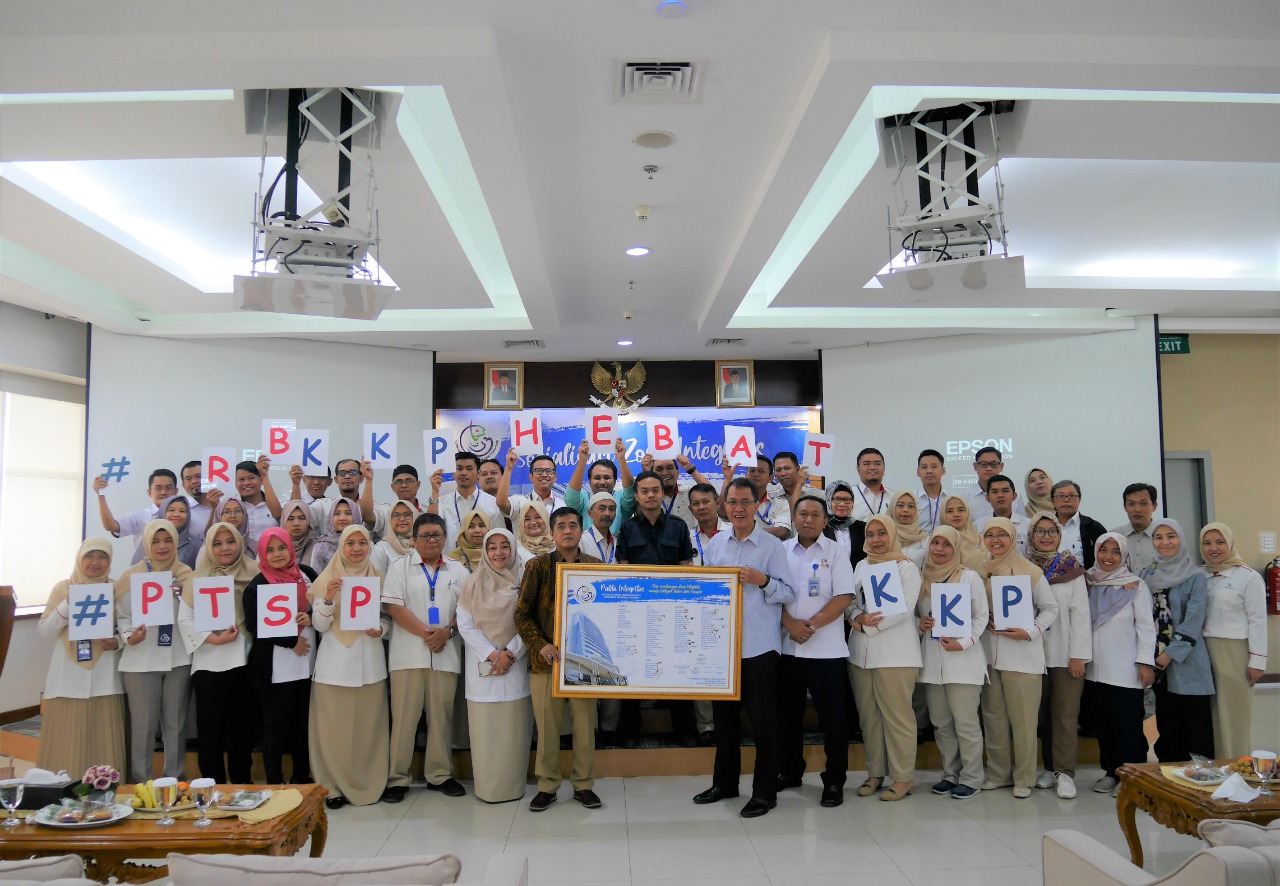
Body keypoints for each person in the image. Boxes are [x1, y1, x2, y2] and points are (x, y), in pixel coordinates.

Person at [695, 478, 796, 818]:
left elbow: (789, 593)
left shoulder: (771, 546)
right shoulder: (715, 545)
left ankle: (765, 792)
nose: (738, 508)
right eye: (732, 501)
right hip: (722, 649)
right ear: (724, 505)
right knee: (724, 722)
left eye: (745, 502)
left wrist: (762, 580)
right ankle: (725, 783)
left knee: (764, 724)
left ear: (757, 505)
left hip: (759, 647)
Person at [515, 507, 603, 812]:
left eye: (573, 525)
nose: (568, 530)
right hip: (545, 663)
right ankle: (547, 785)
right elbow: (522, 614)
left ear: (581, 531)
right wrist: (540, 645)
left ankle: (583, 784)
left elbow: (605, 615)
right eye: (561, 526)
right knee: (548, 726)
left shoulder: (595, 566)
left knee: (584, 724)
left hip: (585, 664)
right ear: (553, 533)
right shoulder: (538, 566)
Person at [383, 513, 468, 803]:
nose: (432, 540)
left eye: (437, 535)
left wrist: (447, 631)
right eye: (426, 536)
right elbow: (395, 608)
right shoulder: (399, 568)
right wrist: (428, 634)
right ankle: (397, 778)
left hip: (445, 655)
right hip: (408, 656)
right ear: (414, 540)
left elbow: (467, 610)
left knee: (442, 720)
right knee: (404, 720)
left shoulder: (458, 570)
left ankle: (440, 774)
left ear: (445, 538)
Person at [777, 495, 853, 807]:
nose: (809, 520)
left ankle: (834, 780)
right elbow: (770, 594)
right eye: (803, 514)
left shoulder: (836, 551)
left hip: (828, 649)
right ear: (794, 518)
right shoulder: (779, 551)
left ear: (825, 521)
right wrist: (790, 624)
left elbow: (844, 596)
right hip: (787, 648)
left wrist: (809, 625)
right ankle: (791, 771)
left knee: (834, 719)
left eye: (815, 515)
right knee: (788, 717)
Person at [308, 524, 391, 808]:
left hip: (370, 666)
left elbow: (388, 619)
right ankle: (331, 787)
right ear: (341, 547)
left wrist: (379, 629)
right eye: (350, 543)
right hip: (334, 668)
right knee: (333, 732)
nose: (356, 549)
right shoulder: (326, 579)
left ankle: (367, 783)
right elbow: (319, 625)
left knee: (369, 731)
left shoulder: (380, 579)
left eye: (362, 543)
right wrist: (329, 598)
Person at [978, 517, 1059, 799]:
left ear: (1013, 538)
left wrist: (1030, 631)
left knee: (1024, 721)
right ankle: (999, 774)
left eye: (1002, 534)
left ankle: (1025, 777)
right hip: (989, 656)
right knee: (993, 718)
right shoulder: (979, 569)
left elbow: (1050, 608)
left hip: (1023, 658)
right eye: (990, 535)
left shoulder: (1030, 571)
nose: (996, 540)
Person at [615, 470, 696, 748]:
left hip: (673, 610)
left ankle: (685, 729)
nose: (651, 496)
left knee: (677, 669)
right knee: (632, 668)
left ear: (663, 494)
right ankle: (629, 731)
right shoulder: (626, 528)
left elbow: (686, 566)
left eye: (656, 491)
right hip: (636, 612)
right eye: (645, 491)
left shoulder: (678, 526)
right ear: (636, 496)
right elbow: (623, 569)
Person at [37, 538, 127, 777]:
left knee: (104, 737)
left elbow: (126, 628)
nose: (95, 562)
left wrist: (116, 641)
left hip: (106, 676)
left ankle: (106, 793)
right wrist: (69, 602)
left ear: (109, 561)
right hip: (68, 677)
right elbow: (45, 630)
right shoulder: (63, 588)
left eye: (102, 557)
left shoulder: (117, 588)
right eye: (89, 556)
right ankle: (62, 794)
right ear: (79, 558)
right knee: (67, 741)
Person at [179, 521, 261, 784]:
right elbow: (185, 619)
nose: (225, 548)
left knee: (242, 731)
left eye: (230, 541)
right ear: (209, 547)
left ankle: (241, 787)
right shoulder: (198, 578)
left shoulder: (255, 574)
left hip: (245, 662)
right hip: (208, 665)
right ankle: (211, 790)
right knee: (211, 734)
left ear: (240, 542)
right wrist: (214, 639)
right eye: (217, 543)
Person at [847, 515, 922, 802]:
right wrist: (855, 616)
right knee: (869, 718)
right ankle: (875, 773)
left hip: (895, 655)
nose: (876, 539)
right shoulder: (861, 565)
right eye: (871, 534)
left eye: (882, 533)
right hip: (860, 655)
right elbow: (849, 600)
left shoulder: (906, 568)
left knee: (898, 718)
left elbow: (902, 609)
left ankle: (903, 777)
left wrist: (867, 623)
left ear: (891, 535)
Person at [457, 527, 533, 803]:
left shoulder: (525, 582)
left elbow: (529, 622)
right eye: (493, 547)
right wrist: (492, 654)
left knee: (513, 734)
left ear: (513, 549)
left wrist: (510, 653)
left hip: (514, 668)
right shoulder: (473, 582)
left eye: (505, 546)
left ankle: (513, 786)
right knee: (486, 736)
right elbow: (464, 623)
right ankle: (488, 789)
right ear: (486, 552)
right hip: (483, 671)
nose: (499, 552)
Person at [115, 519, 194, 782]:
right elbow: (123, 616)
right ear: (147, 543)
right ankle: (141, 784)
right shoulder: (131, 576)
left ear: (176, 541)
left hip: (178, 658)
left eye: (168, 540)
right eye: (156, 541)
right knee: (144, 727)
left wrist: (185, 595)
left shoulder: (186, 574)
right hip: (141, 660)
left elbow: (199, 614)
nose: (162, 546)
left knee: (175, 724)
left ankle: (175, 781)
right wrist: (129, 637)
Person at [915, 526, 988, 800]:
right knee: (942, 724)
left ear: (956, 548)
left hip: (963, 662)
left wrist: (963, 643)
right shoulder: (922, 579)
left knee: (966, 724)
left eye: (947, 544)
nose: (940, 549)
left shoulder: (969, 577)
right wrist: (919, 624)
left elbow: (981, 617)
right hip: (933, 664)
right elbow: (914, 615)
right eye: (936, 543)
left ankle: (972, 777)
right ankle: (950, 774)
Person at [243, 528, 317, 784]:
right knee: (274, 727)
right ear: (263, 553)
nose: (277, 554)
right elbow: (254, 625)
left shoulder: (306, 575)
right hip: (274, 667)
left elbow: (323, 607)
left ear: (290, 548)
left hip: (307, 664)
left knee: (302, 724)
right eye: (270, 550)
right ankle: (274, 780)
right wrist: (290, 641)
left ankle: (301, 776)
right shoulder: (259, 583)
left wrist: (312, 618)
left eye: (282, 547)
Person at [1026, 513, 1090, 800]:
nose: (1046, 536)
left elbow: (1081, 615)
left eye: (1052, 531)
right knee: (1042, 717)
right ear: (1031, 534)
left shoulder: (1071, 570)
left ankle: (1065, 773)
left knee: (1065, 715)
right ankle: (1050, 768)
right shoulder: (1023, 568)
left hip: (1065, 656)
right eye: (1040, 531)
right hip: (1032, 655)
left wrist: (1078, 655)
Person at [1084, 534, 1156, 794]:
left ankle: (1134, 774)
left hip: (1126, 670)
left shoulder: (1135, 585)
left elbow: (1147, 627)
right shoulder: (1088, 583)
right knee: (1103, 726)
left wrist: (1145, 663)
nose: (1108, 557)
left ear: (1123, 556)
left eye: (1116, 552)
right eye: (1104, 550)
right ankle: (1111, 772)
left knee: (1127, 725)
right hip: (1094, 672)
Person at [1147, 518, 1214, 762]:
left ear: (1181, 539)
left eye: (1171, 536)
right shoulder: (1149, 574)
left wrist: (1168, 655)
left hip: (1188, 662)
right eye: (1159, 537)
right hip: (1158, 666)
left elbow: (1194, 621)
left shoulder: (1195, 576)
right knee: (1168, 728)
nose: (1165, 542)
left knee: (1196, 728)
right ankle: (1171, 785)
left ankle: (1201, 787)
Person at [1199, 522, 1268, 759]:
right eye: (1207, 543)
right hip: (1203, 652)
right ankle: (1213, 769)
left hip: (1234, 652)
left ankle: (1237, 768)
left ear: (1230, 544)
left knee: (1233, 715)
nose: (1213, 548)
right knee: (1210, 715)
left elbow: (1258, 620)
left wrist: (1257, 661)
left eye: (1220, 542)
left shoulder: (1247, 577)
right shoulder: (1199, 575)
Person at [428, 453, 502, 552]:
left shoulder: (492, 502)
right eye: (459, 469)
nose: (463, 473)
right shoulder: (441, 502)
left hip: (482, 562)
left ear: (478, 473)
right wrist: (435, 492)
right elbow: (431, 527)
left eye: (469, 468)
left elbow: (499, 535)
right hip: (450, 561)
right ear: (453, 473)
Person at [564, 439, 636, 535]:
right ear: (589, 482)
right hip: (585, 549)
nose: (602, 482)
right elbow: (571, 498)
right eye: (597, 478)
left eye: (607, 478)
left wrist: (621, 459)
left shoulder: (620, 498)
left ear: (615, 481)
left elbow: (630, 492)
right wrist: (582, 461)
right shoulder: (584, 498)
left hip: (617, 549)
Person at [93, 468, 178, 548]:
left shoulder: (184, 515)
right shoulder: (139, 516)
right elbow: (110, 526)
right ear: (149, 492)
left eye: (168, 488)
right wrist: (101, 495)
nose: (163, 492)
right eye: (158, 488)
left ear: (176, 491)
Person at [132, 494, 198, 569]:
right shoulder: (148, 541)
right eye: (171, 510)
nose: (176, 514)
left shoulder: (195, 545)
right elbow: (135, 574)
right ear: (163, 512)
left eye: (182, 511)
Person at [230, 458, 283, 550]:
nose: (246, 483)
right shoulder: (232, 506)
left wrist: (265, 475)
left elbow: (278, 514)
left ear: (261, 480)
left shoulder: (276, 504)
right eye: (241, 480)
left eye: (251, 478)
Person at [1052, 480, 1106, 569]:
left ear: (1079, 499)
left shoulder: (1094, 528)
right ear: (1052, 501)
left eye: (1071, 496)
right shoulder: (1044, 528)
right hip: (1049, 581)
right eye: (1060, 496)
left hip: (1086, 581)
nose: (1066, 499)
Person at [497, 451, 564, 521]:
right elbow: (501, 503)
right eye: (539, 470)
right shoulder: (520, 502)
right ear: (531, 477)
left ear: (555, 477)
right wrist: (509, 468)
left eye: (549, 471)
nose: (544, 475)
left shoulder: (562, 505)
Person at [1113, 483, 1160, 581]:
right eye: (1131, 504)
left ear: (1154, 506)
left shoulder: (1165, 539)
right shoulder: (1114, 536)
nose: (1137, 509)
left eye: (1143, 504)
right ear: (1125, 507)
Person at [974, 475, 1030, 555]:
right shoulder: (978, 526)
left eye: (1005, 491)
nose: (1000, 495)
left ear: (1014, 496)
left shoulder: (1028, 525)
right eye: (995, 492)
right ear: (988, 498)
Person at [308, 497, 359, 573]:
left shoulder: (366, 545)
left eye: (348, 513)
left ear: (356, 516)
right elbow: (315, 580)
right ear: (331, 517)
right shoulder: (321, 547)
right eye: (337, 513)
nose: (342, 518)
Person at [371, 500, 419, 574]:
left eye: (407, 515)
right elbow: (376, 580)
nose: (402, 519)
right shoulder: (382, 548)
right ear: (390, 520)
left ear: (415, 517)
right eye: (396, 515)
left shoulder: (423, 545)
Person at [824, 481, 866, 564]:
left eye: (847, 500)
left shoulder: (863, 528)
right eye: (837, 499)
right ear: (829, 501)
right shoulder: (821, 527)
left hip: (856, 576)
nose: (842, 504)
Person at [940, 495, 986, 571]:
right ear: (943, 515)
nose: (956, 515)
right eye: (950, 511)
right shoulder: (939, 542)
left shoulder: (981, 539)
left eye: (961, 510)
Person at [965, 447, 1004, 523]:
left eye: (994, 464)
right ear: (975, 466)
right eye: (984, 464)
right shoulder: (964, 498)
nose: (989, 468)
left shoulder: (1013, 497)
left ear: (1001, 466)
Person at [889, 490, 927, 567]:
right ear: (892, 508)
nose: (905, 510)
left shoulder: (925, 540)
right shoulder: (884, 537)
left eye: (911, 506)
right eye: (900, 505)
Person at [447, 509, 491, 575]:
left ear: (489, 529)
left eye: (481, 525)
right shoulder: (452, 558)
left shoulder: (497, 555)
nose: (477, 530)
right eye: (471, 526)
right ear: (464, 530)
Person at [179, 460, 214, 543]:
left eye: (199, 476)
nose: (194, 481)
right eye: (188, 479)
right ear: (183, 485)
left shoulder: (224, 503)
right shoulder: (181, 509)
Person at [851, 449, 890, 522]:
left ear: (884, 468)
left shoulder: (893, 497)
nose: (872, 467)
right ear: (858, 469)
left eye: (877, 464)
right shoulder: (849, 495)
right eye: (866, 464)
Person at [280, 499, 320, 568]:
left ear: (309, 521)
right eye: (290, 518)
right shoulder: (275, 546)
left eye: (302, 518)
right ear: (283, 522)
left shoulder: (318, 547)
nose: (296, 524)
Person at [914, 450, 947, 533]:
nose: (929, 471)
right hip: (917, 544)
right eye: (924, 467)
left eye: (934, 467)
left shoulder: (952, 499)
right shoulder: (911, 499)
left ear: (943, 470)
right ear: (918, 472)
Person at [581, 492, 618, 564]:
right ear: (590, 513)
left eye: (611, 509)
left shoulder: (617, 542)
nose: (607, 513)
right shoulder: (581, 541)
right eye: (602, 508)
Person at [514, 500, 554, 565]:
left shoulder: (559, 544)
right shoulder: (516, 548)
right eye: (527, 519)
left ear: (546, 518)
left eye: (538, 517)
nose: (533, 522)